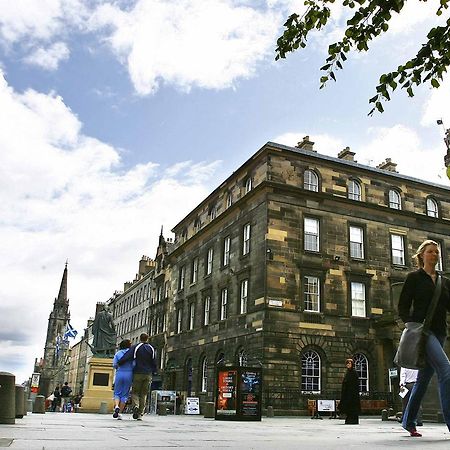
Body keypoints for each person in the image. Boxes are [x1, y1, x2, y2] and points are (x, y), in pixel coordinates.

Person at [398, 239, 450, 437]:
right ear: (421, 255)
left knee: (423, 379)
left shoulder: (444, 282)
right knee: (446, 370)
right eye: (430, 252)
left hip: (439, 333)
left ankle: (409, 421)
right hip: (422, 332)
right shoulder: (414, 278)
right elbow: (403, 306)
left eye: (436, 252)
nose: (434, 255)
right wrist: (411, 325)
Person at [118, 333, 157, 421]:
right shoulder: (151, 348)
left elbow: (127, 356)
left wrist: (120, 362)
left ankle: (136, 405)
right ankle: (140, 414)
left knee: (135, 392)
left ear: (140, 338)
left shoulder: (136, 347)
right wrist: (154, 371)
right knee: (144, 394)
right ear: (147, 339)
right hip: (148, 374)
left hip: (137, 373)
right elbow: (154, 361)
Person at [112, 339, 134, 420]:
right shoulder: (132, 354)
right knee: (125, 394)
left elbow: (114, 365)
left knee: (117, 392)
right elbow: (134, 364)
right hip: (129, 374)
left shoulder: (118, 353)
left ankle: (116, 406)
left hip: (120, 373)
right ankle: (120, 413)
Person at [338, 358, 361, 424]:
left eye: (349, 363)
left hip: (353, 394)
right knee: (348, 408)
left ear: (352, 364)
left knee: (353, 408)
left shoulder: (354, 373)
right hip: (347, 394)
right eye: (347, 363)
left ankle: (353, 420)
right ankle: (349, 420)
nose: (348, 365)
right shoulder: (347, 372)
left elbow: (355, 384)